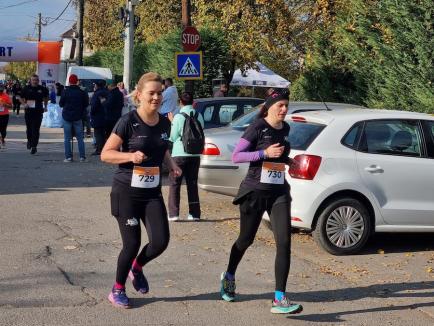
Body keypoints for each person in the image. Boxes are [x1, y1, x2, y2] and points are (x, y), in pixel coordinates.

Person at [101, 72, 181, 309]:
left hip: (151, 192)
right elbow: (106, 154)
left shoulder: (165, 122)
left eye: (159, 93)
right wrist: (130, 155)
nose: (156, 97)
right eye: (151, 93)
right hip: (126, 192)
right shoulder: (128, 121)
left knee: (160, 241)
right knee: (132, 243)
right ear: (139, 95)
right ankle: (117, 289)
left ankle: (136, 268)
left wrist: (172, 164)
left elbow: (162, 148)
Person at [219, 90, 303, 315]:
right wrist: (263, 152)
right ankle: (228, 276)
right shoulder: (256, 127)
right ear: (269, 107)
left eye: (286, 105)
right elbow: (237, 156)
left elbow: (278, 156)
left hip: (278, 193)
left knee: (284, 242)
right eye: (281, 105)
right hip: (255, 191)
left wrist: (288, 161)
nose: (284, 109)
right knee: (245, 240)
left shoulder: (285, 129)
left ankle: (279, 298)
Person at [168, 92, 204, 221]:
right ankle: (194, 214)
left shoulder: (178, 116)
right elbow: (201, 130)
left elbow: (173, 137)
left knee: (175, 183)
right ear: (193, 102)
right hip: (195, 154)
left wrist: (172, 122)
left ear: (180, 102)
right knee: (192, 183)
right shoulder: (199, 115)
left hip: (179, 153)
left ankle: (174, 214)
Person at [59, 74, 89, 162]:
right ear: (77, 81)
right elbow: (86, 104)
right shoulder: (81, 92)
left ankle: (68, 157)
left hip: (67, 116)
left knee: (67, 138)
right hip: (78, 117)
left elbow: (61, 104)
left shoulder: (65, 91)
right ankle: (82, 157)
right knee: (80, 138)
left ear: (69, 81)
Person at [20, 74, 49, 155]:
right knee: (29, 129)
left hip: (38, 111)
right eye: (33, 80)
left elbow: (46, 97)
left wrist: (46, 106)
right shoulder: (26, 88)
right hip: (28, 111)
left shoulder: (42, 89)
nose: (35, 81)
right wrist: (23, 104)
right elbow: (19, 97)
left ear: (38, 80)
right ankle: (29, 141)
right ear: (30, 80)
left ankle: (34, 146)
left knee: (36, 129)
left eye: (36, 80)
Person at [90, 80, 109, 155]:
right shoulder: (108, 92)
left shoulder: (97, 94)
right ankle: (103, 148)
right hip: (106, 116)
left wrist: (92, 113)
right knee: (103, 133)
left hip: (97, 116)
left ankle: (99, 149)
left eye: (95, 85)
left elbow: (94, 106)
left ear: (97, 86)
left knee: (98, 133)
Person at [0, 84, 12, 150]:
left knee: (3, 130)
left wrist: (5, 105)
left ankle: (2, 138)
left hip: (4, 115)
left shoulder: (6, 96)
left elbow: (11, 106)